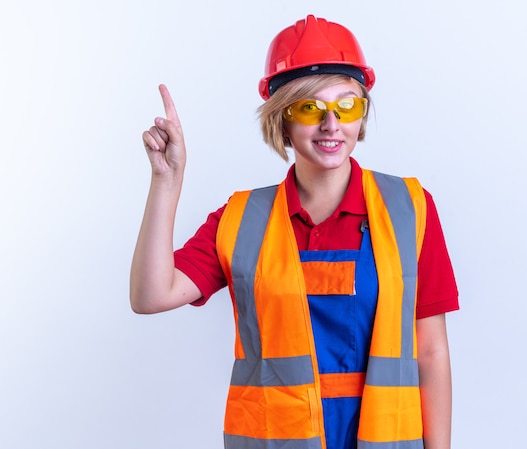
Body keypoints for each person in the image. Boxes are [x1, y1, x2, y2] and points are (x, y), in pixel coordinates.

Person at [131, 14, 459, 449]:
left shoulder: (410, 209)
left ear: (361, 117)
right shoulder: (242, 218)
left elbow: (431, 354)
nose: (331, 124)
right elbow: (151, 296)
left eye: (347, 106)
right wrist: (166, 182)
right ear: (281, 121)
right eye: (309, 108)